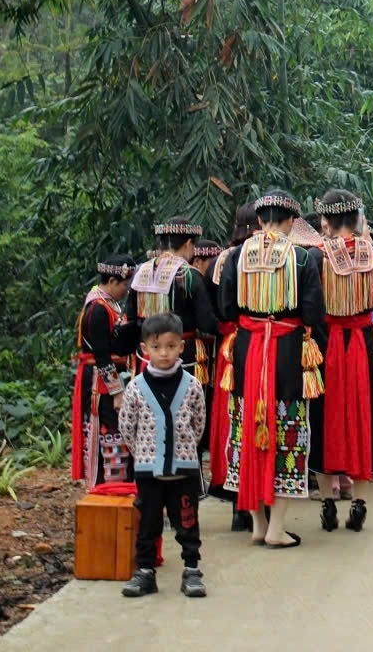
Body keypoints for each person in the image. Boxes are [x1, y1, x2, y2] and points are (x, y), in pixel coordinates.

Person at [218, 191, 325, 548]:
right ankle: (278, 528)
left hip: (248, 349)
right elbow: (312, 313)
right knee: (285, 429)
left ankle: (259, 524)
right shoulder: (302, 258)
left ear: (259, 220)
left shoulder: (235, 256)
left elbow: (227, 309)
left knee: (247, 425)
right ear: (292, 221)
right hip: (287, 350)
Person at [308, 189, 373, 533]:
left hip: (328, 344)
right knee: (362, 413)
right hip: (361, 341)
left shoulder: (315, 256)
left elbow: (310, 306)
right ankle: (359, 500)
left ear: (325, 220)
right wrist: (371, 322)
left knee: (324, 417)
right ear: (357, 219)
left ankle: (328, 499)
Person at [118, 312, 208, 598]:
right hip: (148, 470)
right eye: (156, 348)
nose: (164, 353)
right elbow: (127, 427)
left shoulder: (192, 385)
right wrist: (144, 454)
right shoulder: (135, 388)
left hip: (184, 470)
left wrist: (185, 449)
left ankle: (192, 569)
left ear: (182, 346)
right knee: (148, 522)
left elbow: (198, 423)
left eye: (171, 346)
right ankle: (145, 572)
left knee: (187, 519)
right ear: (145, 350)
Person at [206, 204, 258, 530]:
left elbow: (215, 311)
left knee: (230, 418)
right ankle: (253, 500)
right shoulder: (269, 256)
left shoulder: (219, 260)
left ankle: (237, 499)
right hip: (255, 342)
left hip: (227, 347)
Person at [72, 255, 139, 489]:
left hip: (109, 380)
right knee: (109, 432)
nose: (126, 290)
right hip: (101, 385)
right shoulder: (98, 309)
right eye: (124, 285)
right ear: (112, 281)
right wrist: (117, 392)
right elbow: (102, 355)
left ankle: (117, 484)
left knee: (116, 432)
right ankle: (109, 487)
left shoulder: (107, 303)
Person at [127, 218, 219, 384]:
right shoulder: (189, 275)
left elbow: (131, 317)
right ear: (189, 243)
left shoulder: (140, 272)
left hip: (148, 354)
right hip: (181, 355)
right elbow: (207, 323)